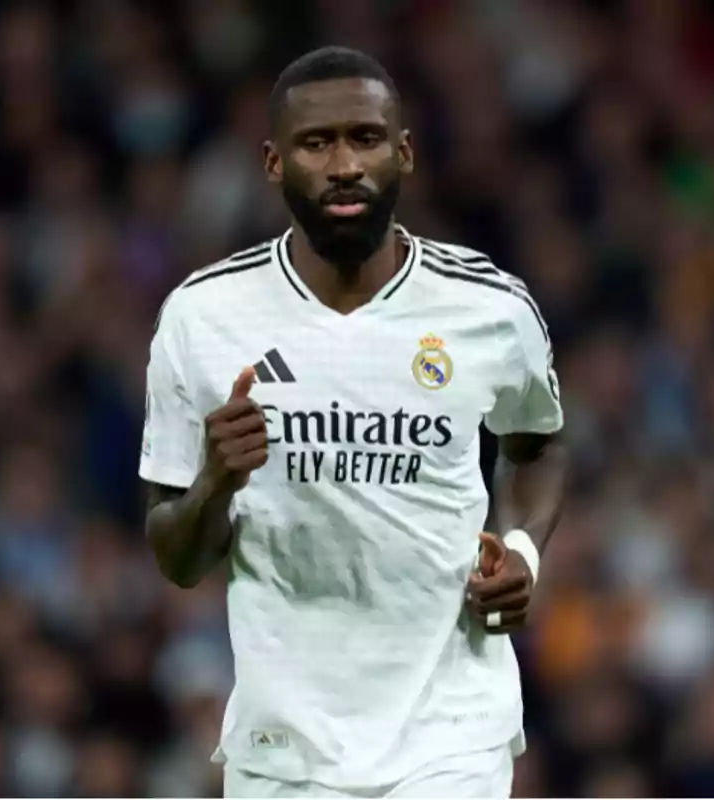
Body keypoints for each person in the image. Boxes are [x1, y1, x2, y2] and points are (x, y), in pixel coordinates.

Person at [139, 46, 568, 799]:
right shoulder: (203, 319)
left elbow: (538, 446)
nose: (344, 164)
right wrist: (215, 480)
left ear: (402, 152)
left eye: (365, 138)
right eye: (316, 143)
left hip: (450, 734)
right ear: (274, 163)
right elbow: (176, 558)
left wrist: (524, 549)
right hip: (285, 748)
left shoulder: (489, 310)